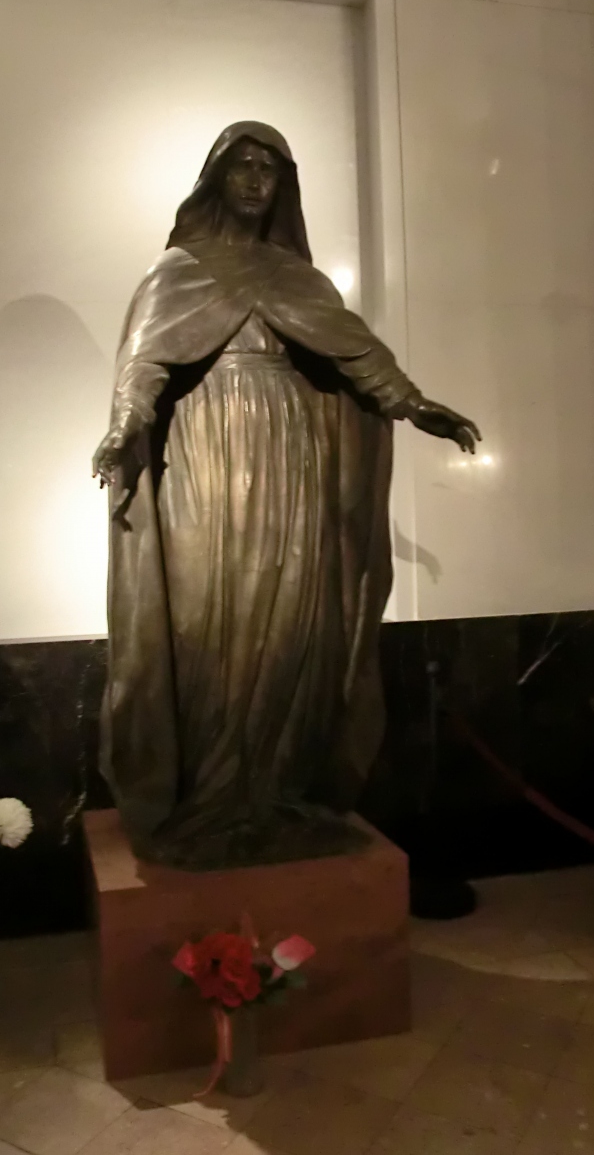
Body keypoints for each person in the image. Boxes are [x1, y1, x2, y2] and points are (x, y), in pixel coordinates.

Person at [93, 121, 480, 870]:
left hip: (290, 460)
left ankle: (272, 793)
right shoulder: (176, 272)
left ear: (283, 187)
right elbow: (144, 364)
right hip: (204, 457)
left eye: (268, 170)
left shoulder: (301, 280)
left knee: (294, 622)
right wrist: (123, 427)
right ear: (216, 178)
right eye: (241, 165)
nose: (253, 180)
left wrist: (413, 403)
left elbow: (356, 355)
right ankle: (207, 797)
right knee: (205, 620)